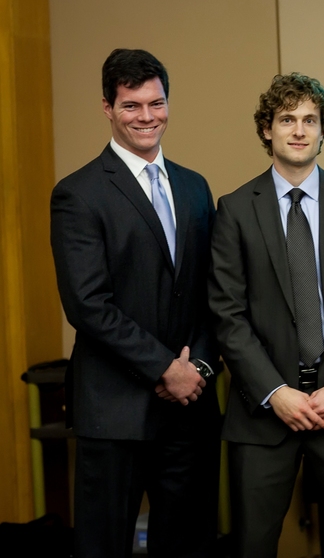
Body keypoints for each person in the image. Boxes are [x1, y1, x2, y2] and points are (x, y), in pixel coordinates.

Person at [50, 49, 220, 557]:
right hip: (115, 413)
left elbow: (213, 294)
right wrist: (164, 368)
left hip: (190, 410)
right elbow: (87, 304)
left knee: (188, 545)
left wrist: (200, 370)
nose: (147, 117)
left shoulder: (194, 188)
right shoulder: (77, 194)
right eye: (131, 106)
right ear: (107, 107)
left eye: (156, 103)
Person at [208, 73, 324, 557]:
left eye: (310, 120)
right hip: (263, 415)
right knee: (252, 547)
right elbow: (228, 314)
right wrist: (275, 392)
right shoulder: (235, 209)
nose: (299, 130)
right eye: (287, 119)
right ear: (267, 129)